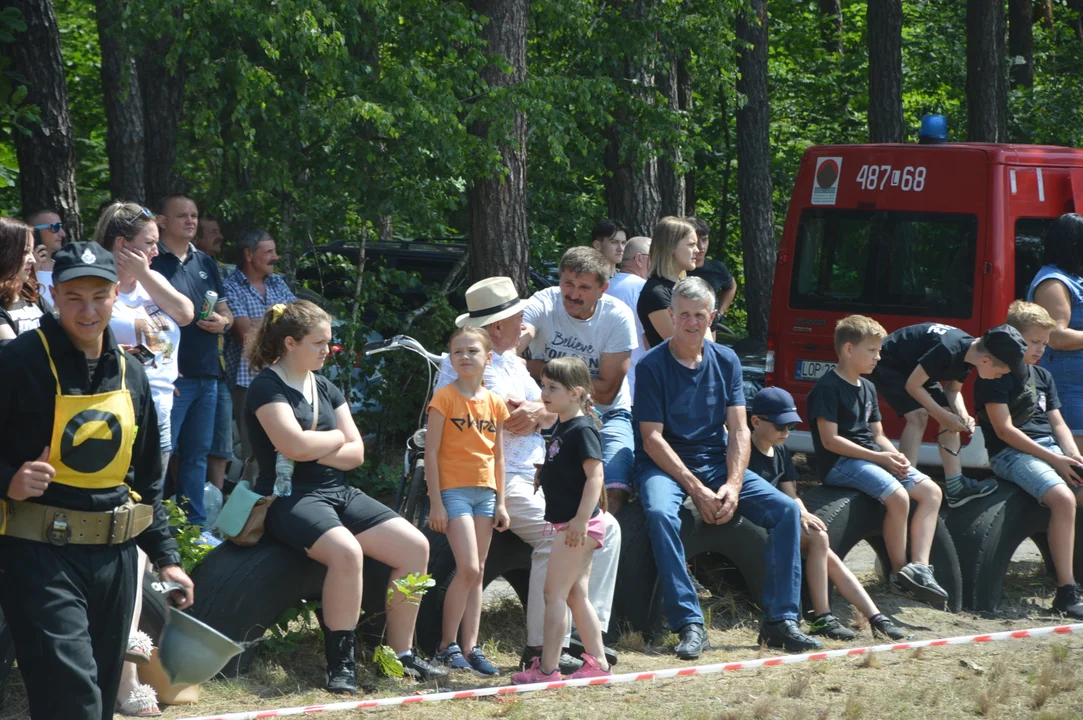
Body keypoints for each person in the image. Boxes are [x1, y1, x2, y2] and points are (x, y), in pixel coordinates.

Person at [0, 241, 194, 720]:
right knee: (73, 699)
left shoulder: (133, 371)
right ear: (53, 296)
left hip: (116, 559)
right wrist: (9, 478)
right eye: (74, 298)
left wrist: (167, 558)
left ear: (115, 296)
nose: (88, 310)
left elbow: (148, 478)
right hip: (39, 556)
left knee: (101, 702)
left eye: (99, 296)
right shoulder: (17, 362)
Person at [245, 300, 446, 694]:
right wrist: (334, 438)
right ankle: (341, 665)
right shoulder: (266, 386)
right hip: (289, 497)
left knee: (415, 546)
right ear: (290, 343)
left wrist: (314, 444)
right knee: (347, 554)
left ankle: (400, 654)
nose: (327, 350)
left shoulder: (326, 386)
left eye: (329, 342)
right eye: (319, 343)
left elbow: (355, 454)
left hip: (336, 490)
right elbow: (294, 444)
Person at [434, 277, 621, 674]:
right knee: (555, 536)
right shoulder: (462, 366)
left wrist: (540, 410)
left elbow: (548, 411)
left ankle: (585, 640)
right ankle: (541, 648)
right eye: (519, 317)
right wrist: (539, 411)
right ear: (498, 326)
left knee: (608, 529)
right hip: (499, 477)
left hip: (537, 474)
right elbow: (516, 420)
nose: (525, 324)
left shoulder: (516, 362)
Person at [634, 277, 821, 657]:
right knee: (658, 512)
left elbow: (738, 428)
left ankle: (780, 621)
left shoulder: (727, 360)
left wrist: (734, 485)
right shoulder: (652, 365)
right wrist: (695, 489)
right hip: (666, 464)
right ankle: (689, 623)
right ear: (670, 316)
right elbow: (652, 439)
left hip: (716, 461)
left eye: (699, 315)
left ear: (712, 316)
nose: (690, 322)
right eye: (683, 315)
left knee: (786, 510)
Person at [93, 202, 197, 713]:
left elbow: (185, 314)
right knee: (123, 535)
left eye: (157, 241)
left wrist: (145, 273)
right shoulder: (92, 285)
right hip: (110, 427)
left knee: (140, 532)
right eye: (148, 242)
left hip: (159, 420)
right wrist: (121, 278)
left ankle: (125, 656)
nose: (157, 250)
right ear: (120, 243)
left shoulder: (153, 281)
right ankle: (118, 668)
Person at [806, 315, 949, 607]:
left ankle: (919, 568)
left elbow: (878, 434)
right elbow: (830, 440)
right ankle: (900, 575)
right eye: (872, 350)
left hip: (871, 458)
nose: (879, 356)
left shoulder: (868, 387)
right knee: (899, 497)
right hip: (841, 463)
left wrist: (894, 456)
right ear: (848, 350)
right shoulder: (828, 387)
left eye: (879, 350)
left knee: (932, 491)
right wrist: (878, 457)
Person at [747, 387, 905, 641]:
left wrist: (803, 513)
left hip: (778, 521)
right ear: (756, 421)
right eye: (780, 426)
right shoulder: (742, 450)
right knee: (819, 540)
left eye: (791, 426)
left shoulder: (780, 452)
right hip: (751, 524)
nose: (786, 432)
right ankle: (826, 617)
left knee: (820, 538)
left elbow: (791, 494)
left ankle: (874, 618)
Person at [975, 300, 1083, 619]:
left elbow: (1058, 423)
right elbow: (1004, 431)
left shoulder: (1044, 376)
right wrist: (1056, 460)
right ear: (1015, 338)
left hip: (1048, 446)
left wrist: (1073, 455)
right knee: (1063, 498)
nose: (1039, 349)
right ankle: (1066, 591)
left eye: (1044, 344)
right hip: (1011, 453)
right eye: (1034, 342)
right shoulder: (994, 373)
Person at [513, 357, 613, 683]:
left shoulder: (582, 429)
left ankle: (547, 670)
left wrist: (580, 521)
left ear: (576, 393)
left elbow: (595, 477)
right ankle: (597, 661)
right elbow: (565, 465)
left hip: (577, 526)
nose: (544, 392)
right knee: (574, 595)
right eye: (543, 385)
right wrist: (545, 474)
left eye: (552, 387)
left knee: (553, 594)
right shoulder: (561, 425)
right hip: (570, 524)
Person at [522, 246, 638, 513]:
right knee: (529, 477)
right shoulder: (543, 301)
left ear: (603, 288)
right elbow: (521, 335)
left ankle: (605, 547)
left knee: (612, 488)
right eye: (568, 284)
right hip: (549, 410)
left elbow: (607, 391)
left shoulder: (616, 316)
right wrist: (512, 348)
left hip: (606, 413)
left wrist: (531, 365)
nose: (573, 294)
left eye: (584, 287)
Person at [868, 322, 1027, 508]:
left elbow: (952, 390)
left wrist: (963, 415)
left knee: (951, 414)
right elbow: (912, 386)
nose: (1000, 377)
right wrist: (943, 417)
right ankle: (906, 481)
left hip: (919, 368)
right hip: (891, 363)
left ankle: (955, 486)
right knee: (918, 415)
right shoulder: (949, 350)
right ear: (986, 361)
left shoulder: (970, 354)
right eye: (1000, 373)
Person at [428, 326, 510, 676]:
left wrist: (502, 502)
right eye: (458, 351)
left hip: (486, 493)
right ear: (451, 358)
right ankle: (446, 646)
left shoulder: (495, 402)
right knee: (469, 568)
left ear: (488, 357)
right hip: (454, 492)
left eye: (473, 351)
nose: (465, 356)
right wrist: (436, 503)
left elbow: (499, 457)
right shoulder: (443, 398)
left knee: (478, 574)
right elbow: (430, 454)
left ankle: (471, 646)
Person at [151, 194, 234, 527]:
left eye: (195, 215)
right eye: (182, 215)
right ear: (162, 221)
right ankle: (153, 526)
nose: (190, 221)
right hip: (171, 377)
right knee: (161, 455)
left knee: (197, 455)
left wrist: (222, 323)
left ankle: (193, 527)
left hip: (207, 374)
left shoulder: (206, 263)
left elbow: (226, 311)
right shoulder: (153, 262)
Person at [224, 229, 296, 483]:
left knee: (286, 448)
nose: (275, 257)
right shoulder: (230, 287)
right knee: (253, 453)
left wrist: (262, 322)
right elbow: (244, 334)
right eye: (269, 252)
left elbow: (298, 323)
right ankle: (254, 515)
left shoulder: (278, 283)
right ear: (248, 254)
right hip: (249, 383)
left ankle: (280, 510)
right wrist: (278, 320)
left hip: (285, 378)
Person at [1028, 213, 1083, 451]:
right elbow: (1056, 337)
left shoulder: (1072, 278)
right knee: (1077, 468)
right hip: (1070, 386)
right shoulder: (1053, 283)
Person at [195, 213, 235, 490]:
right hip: (191, 370)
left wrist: (225, 322)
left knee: (221, 443)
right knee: (191, 446)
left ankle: (215, 501)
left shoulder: (214, 267)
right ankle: (185, 504)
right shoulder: (169, 268)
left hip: (219, 371)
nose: (219, 237)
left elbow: (228, 316)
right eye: (211, 233)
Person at [637, 216, 699, 350]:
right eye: (691, 245)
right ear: (671, 247)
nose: (697, 250)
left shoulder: (685, 288)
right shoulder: (655, 293)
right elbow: (684, 346)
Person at [605, 236, 651, 403]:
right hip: (638, 385)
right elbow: (650, 342)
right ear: (639, 258)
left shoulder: (605, 287)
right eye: (653, 256)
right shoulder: (644, 290)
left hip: (607, 386)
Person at [0, 217, 47, 345]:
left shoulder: (30, 294)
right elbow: (12, 355)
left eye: (32, 252)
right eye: (26, 252)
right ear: (5, 253)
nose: (33, 259)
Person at [685, 216, 736, 318]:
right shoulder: (676, 269)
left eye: (704, 240)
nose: (701, 246)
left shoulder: (718, 269)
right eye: (695, 241)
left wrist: (720, 313)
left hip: (710, 331)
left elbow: (731, 286)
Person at [27, 208, 67, 300]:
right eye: (55, 227)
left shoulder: (64, 267)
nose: (63, 234)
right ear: (34, 231)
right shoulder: (19, 272)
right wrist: (32, 273)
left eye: (61, 227)